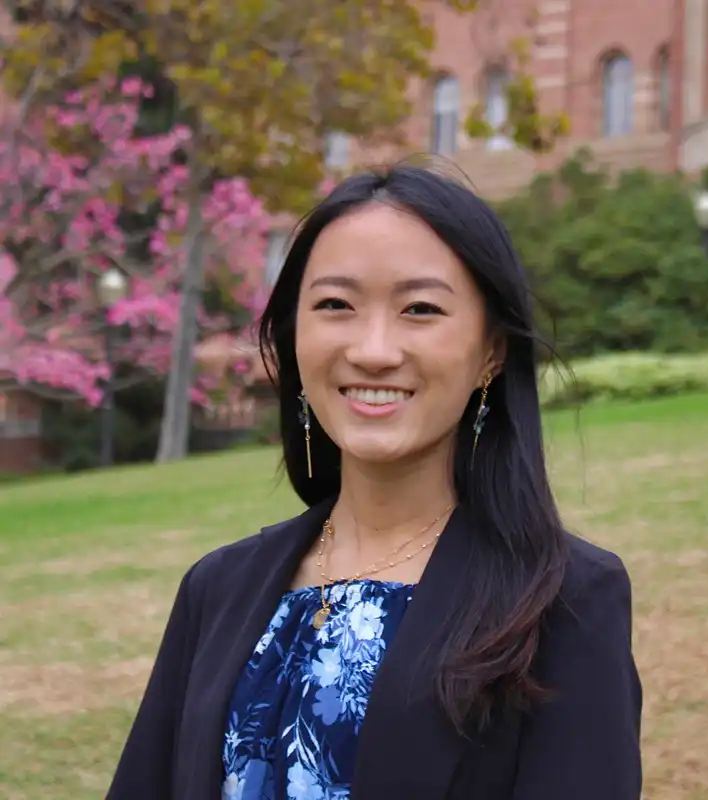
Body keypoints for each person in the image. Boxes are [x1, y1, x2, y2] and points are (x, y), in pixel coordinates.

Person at [107, 164, 642, 800]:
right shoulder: (216, 589)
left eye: (421, 309)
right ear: (294, 336)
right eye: (336, 305)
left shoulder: (564, 600)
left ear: (492, 352)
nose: (373, 350)